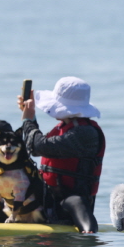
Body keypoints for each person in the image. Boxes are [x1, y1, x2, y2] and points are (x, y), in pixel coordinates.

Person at [17, 76, 105, 233]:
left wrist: (28, 120)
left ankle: (89, 235)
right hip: (47, 200)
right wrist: (30, 117)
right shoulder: (67, 127)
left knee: (76, 201)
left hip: (68, 206)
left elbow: (39, 146)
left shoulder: (85, 133)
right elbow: (37, 147)